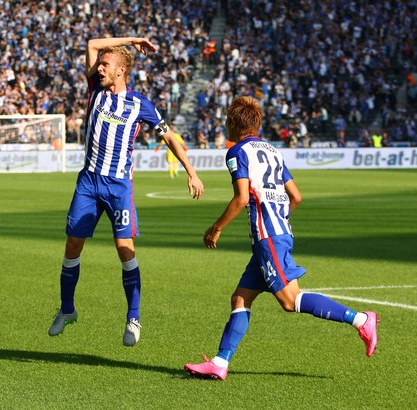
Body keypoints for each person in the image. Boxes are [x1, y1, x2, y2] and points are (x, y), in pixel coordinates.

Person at [184, 96, 379, 380]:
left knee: (290, 301)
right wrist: (279, 220)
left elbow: (240, 199)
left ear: (235, 123)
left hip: (268, 238)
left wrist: (216, 228)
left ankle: (361, 320)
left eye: (227, 120)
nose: (225, 125)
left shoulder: (237, 151)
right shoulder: (274, 151)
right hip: (277, 234)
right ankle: (220, 363)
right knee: (240, 298)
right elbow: (296, 196)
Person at [49, 37, 205, 346]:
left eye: (106, 64)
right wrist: (131, 40)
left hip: (119, 186)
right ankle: (67, 310)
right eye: (101, 64)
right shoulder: (95, 88)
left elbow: (169, 137)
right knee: (72, 246)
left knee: (125, 249)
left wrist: (192, 172)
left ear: (121, 71)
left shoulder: (140, 105)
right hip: (89, 183)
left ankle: (133, 318)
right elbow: (92, 43)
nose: (100, 68)